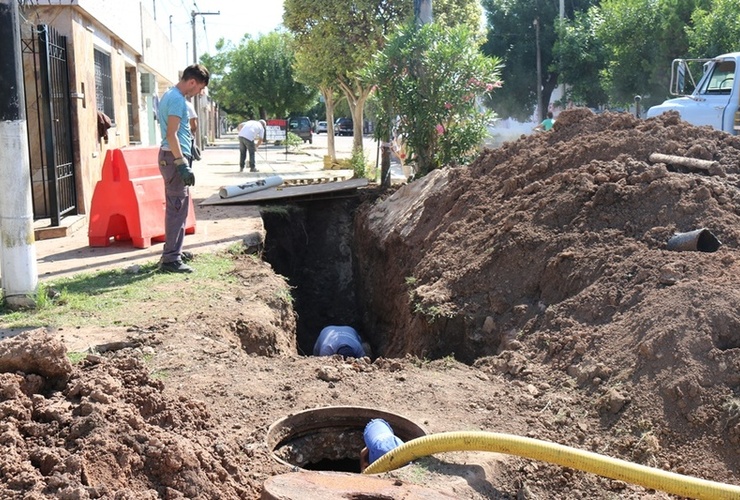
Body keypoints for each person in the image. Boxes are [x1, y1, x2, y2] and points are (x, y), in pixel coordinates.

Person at [157, 64, 210, 274]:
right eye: (199, 88)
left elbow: (179, 132)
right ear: (192, 82)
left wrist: (190, 145)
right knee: (177, 208)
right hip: (173, 159)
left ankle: (174, 251)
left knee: (179, 207)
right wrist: (181, 163)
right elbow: (172, 134)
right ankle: (171, 260)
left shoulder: (173, 96)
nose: (198, 93)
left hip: (173, 156)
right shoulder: (177, 99)